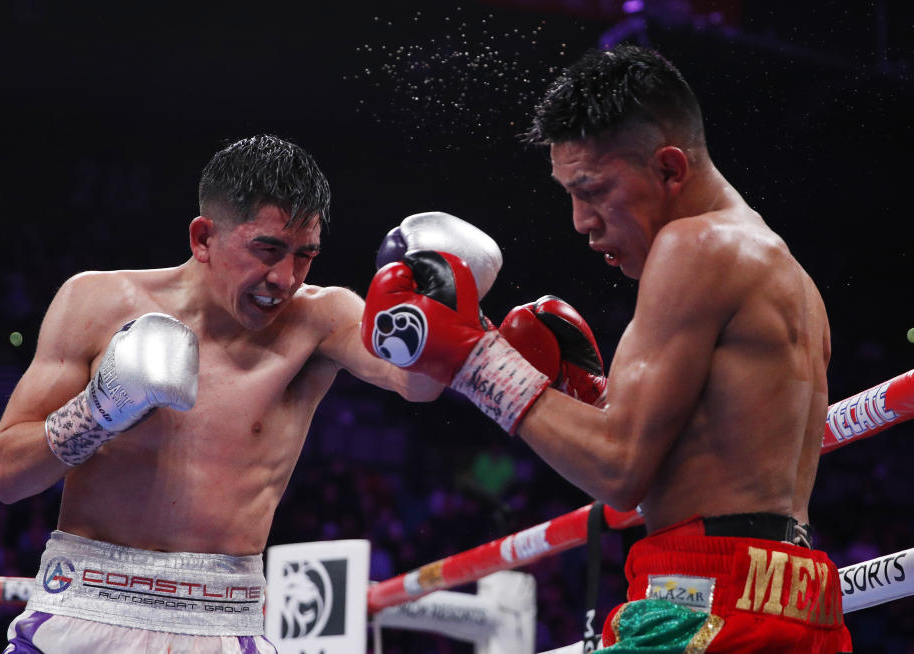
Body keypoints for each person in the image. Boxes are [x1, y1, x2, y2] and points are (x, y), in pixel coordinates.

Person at [361, 46, 852, 652]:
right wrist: (589, 400)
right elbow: (682, 472)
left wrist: (474, 360)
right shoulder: (788, 274)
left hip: (705, 604)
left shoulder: (694, 246)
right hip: (799, 601)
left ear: (671, 170)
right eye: (569, 192)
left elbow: (618, 472)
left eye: (591, 190)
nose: (579, 220)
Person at [0, 135, 496, 652]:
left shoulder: (320, 319)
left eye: (305, 256)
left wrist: (454, 302)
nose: (284, 278)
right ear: (203, 237)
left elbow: (417, 383)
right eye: (267, 250)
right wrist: (98, 411)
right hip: (83, 607)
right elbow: (7, 476)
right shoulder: (96, 302)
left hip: (221, 624)